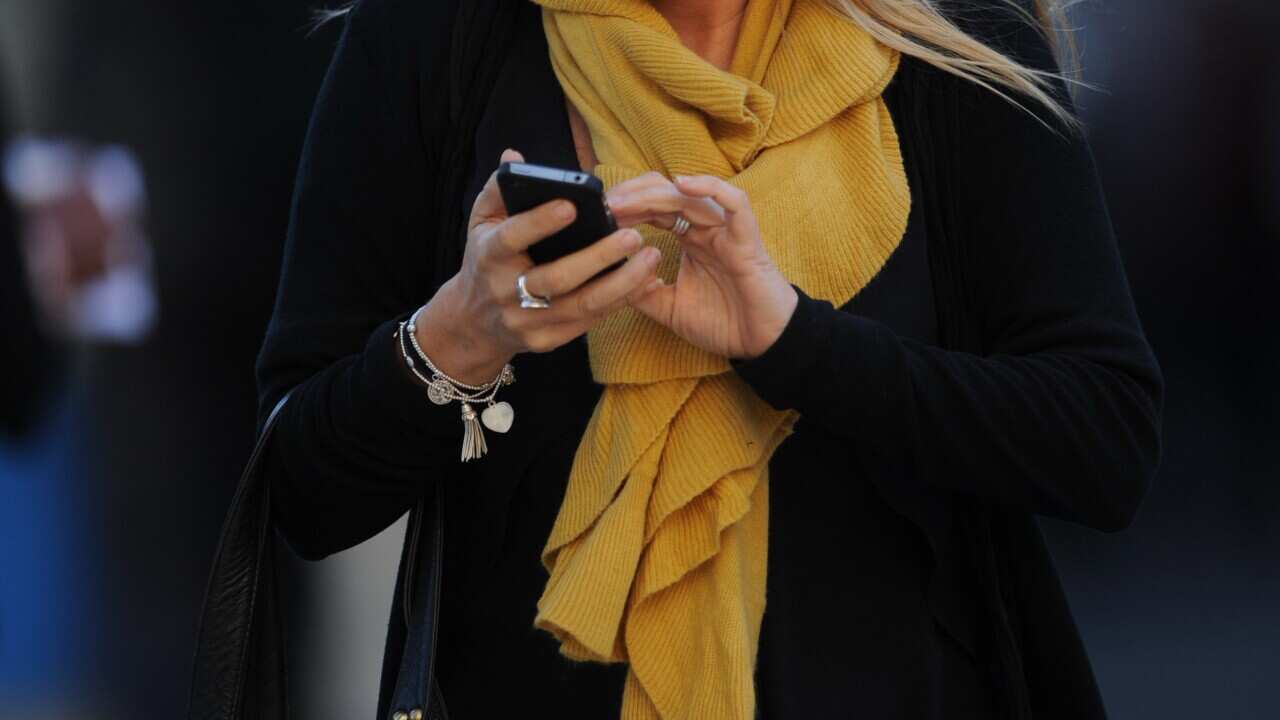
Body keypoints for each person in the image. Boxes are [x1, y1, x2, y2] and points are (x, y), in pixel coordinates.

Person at [256, 0, 1163, 718]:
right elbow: (300, 491)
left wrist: (793, 343)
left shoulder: (954, 42)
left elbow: (1104, 444)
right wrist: (458, 338)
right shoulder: (436, 36)